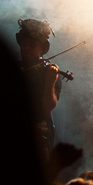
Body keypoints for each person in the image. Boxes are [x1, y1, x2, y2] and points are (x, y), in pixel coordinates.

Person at [16, 18, 63, 158]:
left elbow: (47, 107)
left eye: (32, 45)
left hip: (38, 137)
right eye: (24, 44)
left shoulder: (50, 72)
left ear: (41, 49)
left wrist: (50, 81)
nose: (27, 48)